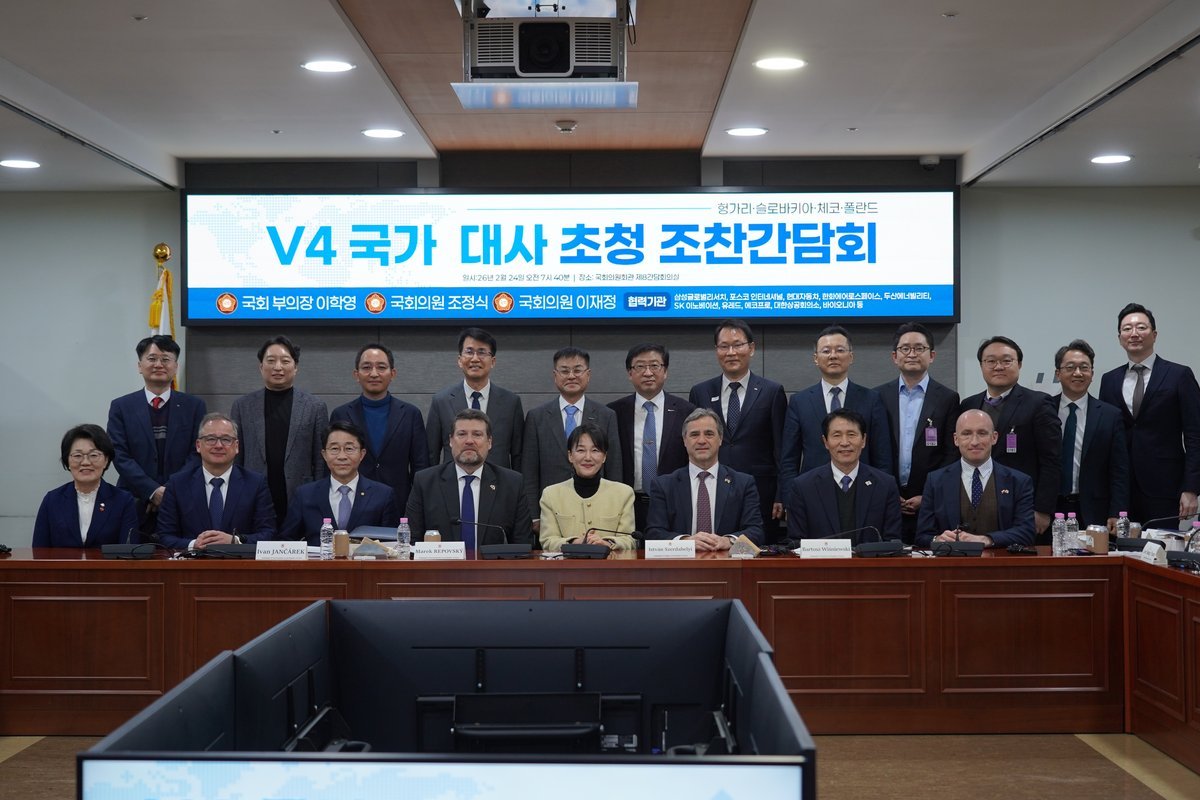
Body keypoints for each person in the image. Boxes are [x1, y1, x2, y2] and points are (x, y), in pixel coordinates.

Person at [1098, 303, 1200, 525]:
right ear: (1119, 337)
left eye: (1141, 327)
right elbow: (1105, 437)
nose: (1134, 333)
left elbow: (1195, 435)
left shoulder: (1179, 375)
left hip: (1164, 487)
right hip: (1120, 491)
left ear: (1154, 334)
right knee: (1119, 546)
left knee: (1160, 545)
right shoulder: (1109, 380)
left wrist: (1191, 488)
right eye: (1127, 329)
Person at [688, 319, 785, 540]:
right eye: (724, 346)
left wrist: (781, 494)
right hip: (710, 489)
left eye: (738, 345)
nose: (731, 352)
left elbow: (781, 448)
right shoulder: (700, 392)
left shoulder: (771, 391)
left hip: (760, 491)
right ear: (716, 351)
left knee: (752, 549)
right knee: (712, 546)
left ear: (751, 348)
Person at [959, 335, 1060, 536]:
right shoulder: (968, 405)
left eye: (1006, 361)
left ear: (1019, 364)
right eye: (991, 361)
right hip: (974, 503)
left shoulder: (1039, 403)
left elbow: (1052, 460)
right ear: (981, 366)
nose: (998, 367)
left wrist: (1042, 509)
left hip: (1020, 505)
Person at [107, 335, 206, 536]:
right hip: (134, 500)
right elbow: (119, 454)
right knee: (131, 553)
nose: (158, 364)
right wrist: (152, 491)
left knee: (181, 552)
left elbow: (197, 453)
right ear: (140, 366)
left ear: (175, 366)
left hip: (182, 499)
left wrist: (169, 492)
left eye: (165, 359)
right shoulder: (121, 406)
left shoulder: (194, 406)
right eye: (152, 359)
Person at [780, 325, 892, 505]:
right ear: (816, 358)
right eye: (826, 351)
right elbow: (788, 460)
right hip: (812, 493)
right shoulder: (799, 402)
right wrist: (789, 500)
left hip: (863, 493)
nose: (833, 356)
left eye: (840, 350)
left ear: (851, 357)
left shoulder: (871, 399)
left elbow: (883, 456)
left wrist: (882, 497)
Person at [875, 322, 960, 543]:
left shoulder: (948, 398)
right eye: (905, 348)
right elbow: (874, 448)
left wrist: (929, 494)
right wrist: (888, 491)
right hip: (887, 499)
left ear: (932, 355)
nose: (912, 354)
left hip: (930, 501)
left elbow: (951, 453)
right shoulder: (878, 396)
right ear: (895, 356)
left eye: (919, 348)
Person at [230, 335, 329, 525]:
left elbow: (320, 459)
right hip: (254, 494)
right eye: (271, 361)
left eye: (285, 361)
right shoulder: (242, 406)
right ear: (261, 367)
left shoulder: (315, 407)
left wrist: (318, 496)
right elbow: (236, 456)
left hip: (300, 494)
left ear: (295, 367)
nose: (278, 367)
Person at [522, 347, 622, 527]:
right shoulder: (537, 417)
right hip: (551, 511)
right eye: (564, 371)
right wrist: (534, 515)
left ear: (588, 375)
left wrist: (614, 509)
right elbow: (529, 471)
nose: (571, 376)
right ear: (555, 375)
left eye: (577, 370)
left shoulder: (606, 416)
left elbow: (614, 467)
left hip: (598, 509)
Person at [407, 409, 533, 548]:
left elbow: (523, 545)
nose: (469, 441)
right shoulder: (425, 483)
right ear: (450, 441)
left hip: (493, 563)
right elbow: (411, 543)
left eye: (477, 434)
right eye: (462, 434)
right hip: (440, 562)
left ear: (489, 442)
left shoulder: (512, 484)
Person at [915, 410, 1035, 549]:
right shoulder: (935, 481)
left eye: (982, 433)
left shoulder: (1019, 481)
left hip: (1001, 561)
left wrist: (987, 539)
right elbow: (922, 536)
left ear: (994, 437)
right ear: (956, 439)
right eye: (966, 434)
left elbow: (1026, 533)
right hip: (952, 561)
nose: (975, 442)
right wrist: (938, 539)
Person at [645, 408, 765, 549]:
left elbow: (756, 531)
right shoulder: (663, 485)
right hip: (681, 561)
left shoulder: (743, 483)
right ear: (684, 441)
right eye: (694, 434)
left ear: (720, 439)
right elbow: (653, 533)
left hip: (726, 559)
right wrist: (686, 542)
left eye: (709, 434)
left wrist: (728, 541)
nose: (701, 441)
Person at [330, 343, 428, 513]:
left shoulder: (411, 414)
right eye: (366, 367)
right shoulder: (341, 414)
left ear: (393, 373)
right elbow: (332, 464)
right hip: (352, 504)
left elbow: (421, 466)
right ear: (356, 374)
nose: (374, 373)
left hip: (400, 503)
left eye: (381, 367)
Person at [156, 413, 276, 550]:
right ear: (198, 445)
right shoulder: (177, 484)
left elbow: (269, 534)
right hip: (192, 561)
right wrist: (194, 545)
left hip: (239, 562)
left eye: (226, 439)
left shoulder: (255, 483)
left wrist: (235, 541)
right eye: (211, 439)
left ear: (236, 446)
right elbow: (164, 536)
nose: (218, 445)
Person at [608, 343, 695, 532]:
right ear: (630, 373)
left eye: (654, 366)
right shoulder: (613, 412)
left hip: (673, 504)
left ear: (665, 371)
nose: (648, 373)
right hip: (626, 505)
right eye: (640, 366)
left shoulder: (687, 412)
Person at [785, 410, 901, 542]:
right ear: (825, 442)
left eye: (851, 435)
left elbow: (892, 541)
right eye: (837, 435)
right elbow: (796, 543)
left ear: (863, 440)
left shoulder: (885, 485)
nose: (845, 442)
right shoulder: (803, 487)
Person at [277, 421, 399, 546]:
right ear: (324, 454)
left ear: (362, 454)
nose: (342, 456)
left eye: (349, 449)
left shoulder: (382, 495)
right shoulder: (305, 495)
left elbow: (392, 544)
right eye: (334, 449)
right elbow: (286, 541)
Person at [1050, 339, 1129, 529]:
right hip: (1049, 509)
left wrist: (1117, 511)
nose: (1078, 373)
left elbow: (1119, 469)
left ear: (1092, 374)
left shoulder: (1110, 415)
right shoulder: (1044, 409)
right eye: (1070, 367)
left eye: (1084, 367)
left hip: (1094, 510)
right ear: (1058, 373)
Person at [426, 328, 524, 470]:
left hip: (499, 482)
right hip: (452, 481)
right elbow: (431, 454)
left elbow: (518, 455)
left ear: (493, 361)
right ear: (460, 360)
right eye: (469, 352)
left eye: (482, 352)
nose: (475, 358)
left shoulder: (511, 403)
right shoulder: (441, 401)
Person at [33, 424, 138, 547]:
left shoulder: (123, 501)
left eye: (93, 455)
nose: (86, 462)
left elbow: (129, 551)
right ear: (67, 461)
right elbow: (39, 551)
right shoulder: (52, 500)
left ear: (106, 460)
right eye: (77, 456)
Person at [539, 423, 637, 552]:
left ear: (604, 457)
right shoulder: (551, 494)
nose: (588, 457)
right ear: (570, 455)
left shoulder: (623, 493)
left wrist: (606, 543)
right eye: (581, 450)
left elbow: (630, 539)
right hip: (567, 564)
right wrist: (574, 543)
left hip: (609, 564)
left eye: (595, 450)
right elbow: (547, 540)